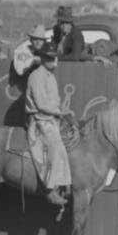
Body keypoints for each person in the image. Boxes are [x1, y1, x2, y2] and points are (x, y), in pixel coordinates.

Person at [25, 42, 72, 207]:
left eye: (55, 58)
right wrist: (59, 112)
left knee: (66, 145)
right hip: (39, 121)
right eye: (51, 59)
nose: (55, 62)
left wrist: (61, 111)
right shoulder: (36, 76)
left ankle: (65, 183)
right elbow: (41, 104)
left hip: (51, 119)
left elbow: (54, 101)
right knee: (54, 147)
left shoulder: (50, 76)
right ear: (44, 58)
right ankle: (50, 189)